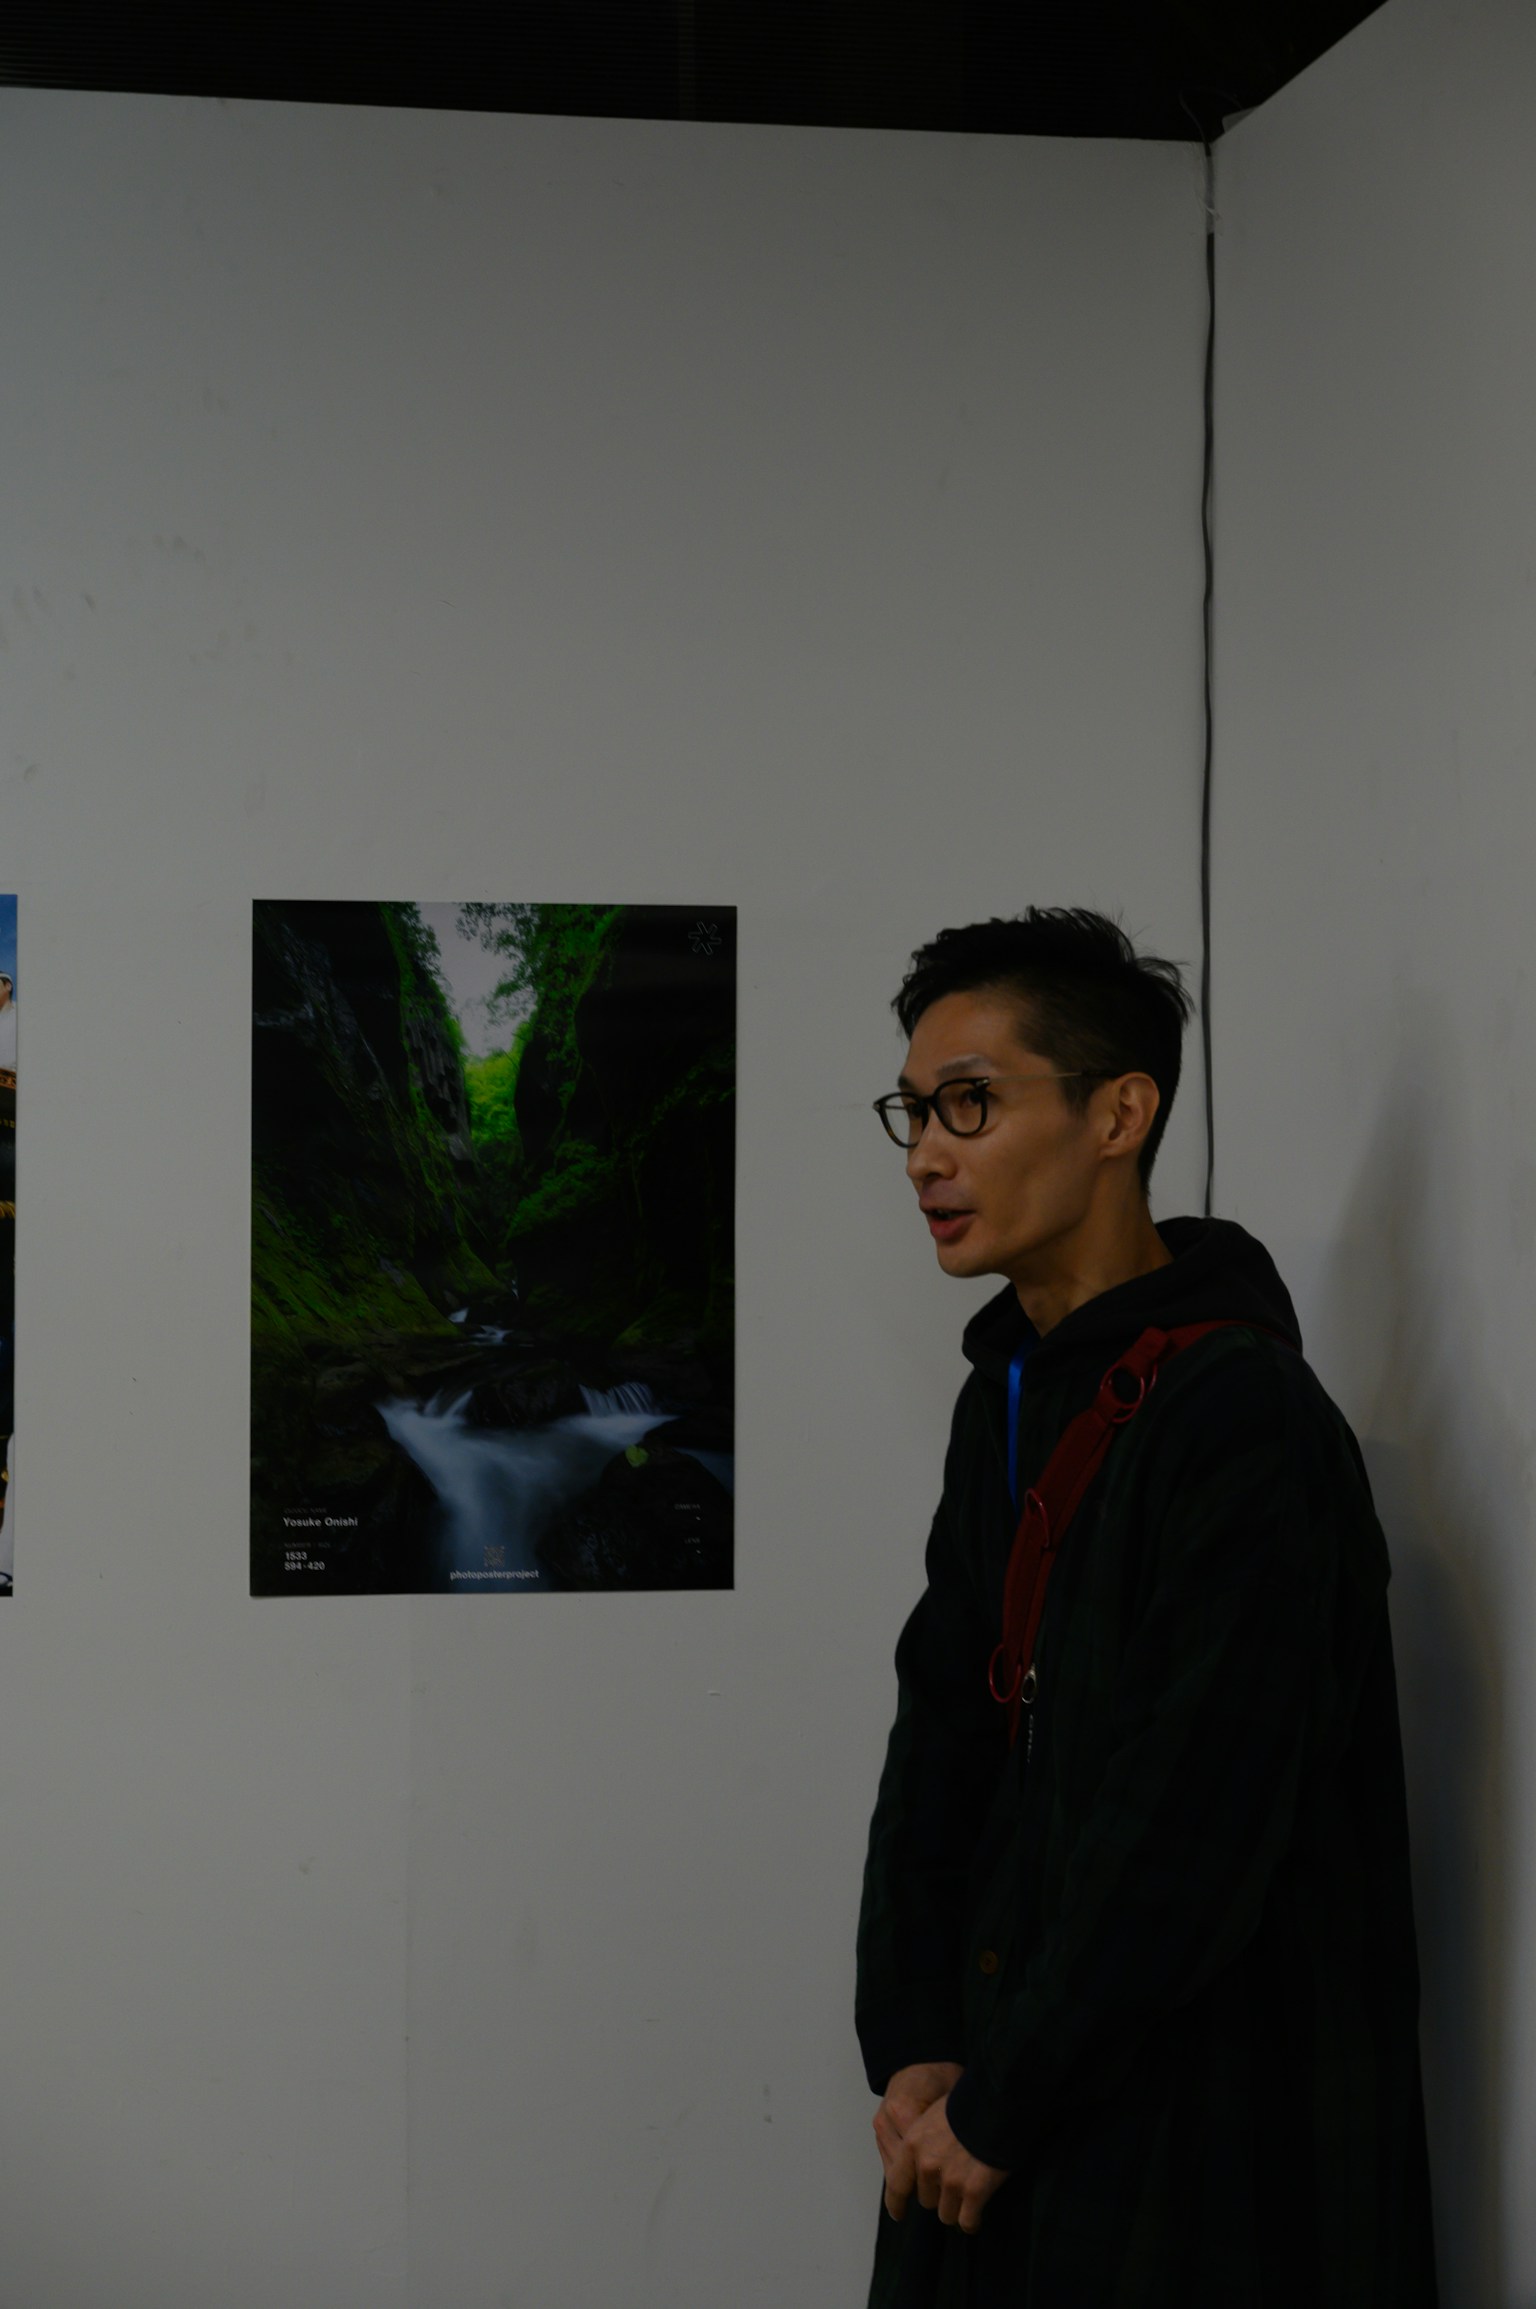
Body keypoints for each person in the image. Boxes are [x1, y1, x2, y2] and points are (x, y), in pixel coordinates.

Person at [856, 908, 1436, 2308]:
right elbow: (939, 1737)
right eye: (916, 1110)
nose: (929, 1152)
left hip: (1195, 2132)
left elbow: (1197, 1816)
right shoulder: (1001, 1398)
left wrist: (1008, 2094)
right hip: (1009, 2094)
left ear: (1121, 1110)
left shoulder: (1247, 1422)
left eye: (973, 1104)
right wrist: (917, 2040)